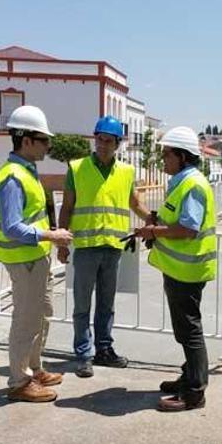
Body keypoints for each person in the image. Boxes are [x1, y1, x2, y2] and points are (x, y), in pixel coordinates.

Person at [0, 105, 73, 402]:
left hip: (36, 257)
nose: (48, 145)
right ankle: (19, 381)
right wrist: (52, 235)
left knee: (41, 314)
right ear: (26, 140)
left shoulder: (26, 171)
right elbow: (12, 227)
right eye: (43, 139)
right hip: (23, 259)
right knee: (26, 319)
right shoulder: (12, 177)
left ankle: (34, 369)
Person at [57, 116, 151, 378]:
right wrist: (62, 242)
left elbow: (135, 203)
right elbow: (67, 207)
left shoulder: (126, 172)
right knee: (82, 305)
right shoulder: (77, 168)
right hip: (86, 247)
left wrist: (155, 222)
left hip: (112, 247)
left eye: (108, 141)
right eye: (99, 139)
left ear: (117, 143)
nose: (103, 145)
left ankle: (104, 350)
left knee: (106, 305)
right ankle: (84, 354)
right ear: (94, 138)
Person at [134, 126, 216, 412]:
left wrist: (153, 232)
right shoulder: (183, 182)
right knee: (185, 330)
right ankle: (189, 376)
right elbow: (175, 219)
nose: (162, 159)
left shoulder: (191, 185)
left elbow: (188, 229)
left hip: (188, 271)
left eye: (166, 154)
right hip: (180, 269)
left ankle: (194, 391)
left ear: (182, 156)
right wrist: (156, 224)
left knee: (190, 330)